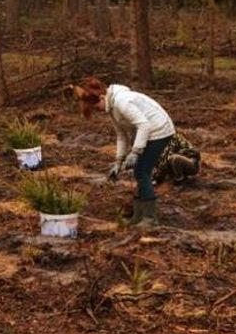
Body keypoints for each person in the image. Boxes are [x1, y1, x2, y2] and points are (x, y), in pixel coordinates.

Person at [72, 76, 175, 227]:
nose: (98, 111)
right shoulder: (112, 108)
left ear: (101, 97)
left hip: (159, 131)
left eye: (96, 107)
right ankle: (139, 215)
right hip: (147, 132)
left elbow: (144, 125)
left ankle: (149, 218)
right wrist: (118, 161)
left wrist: (135, 152)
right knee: (140, 172)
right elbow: (121, 136)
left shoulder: (122, 102)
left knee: (141, 172)